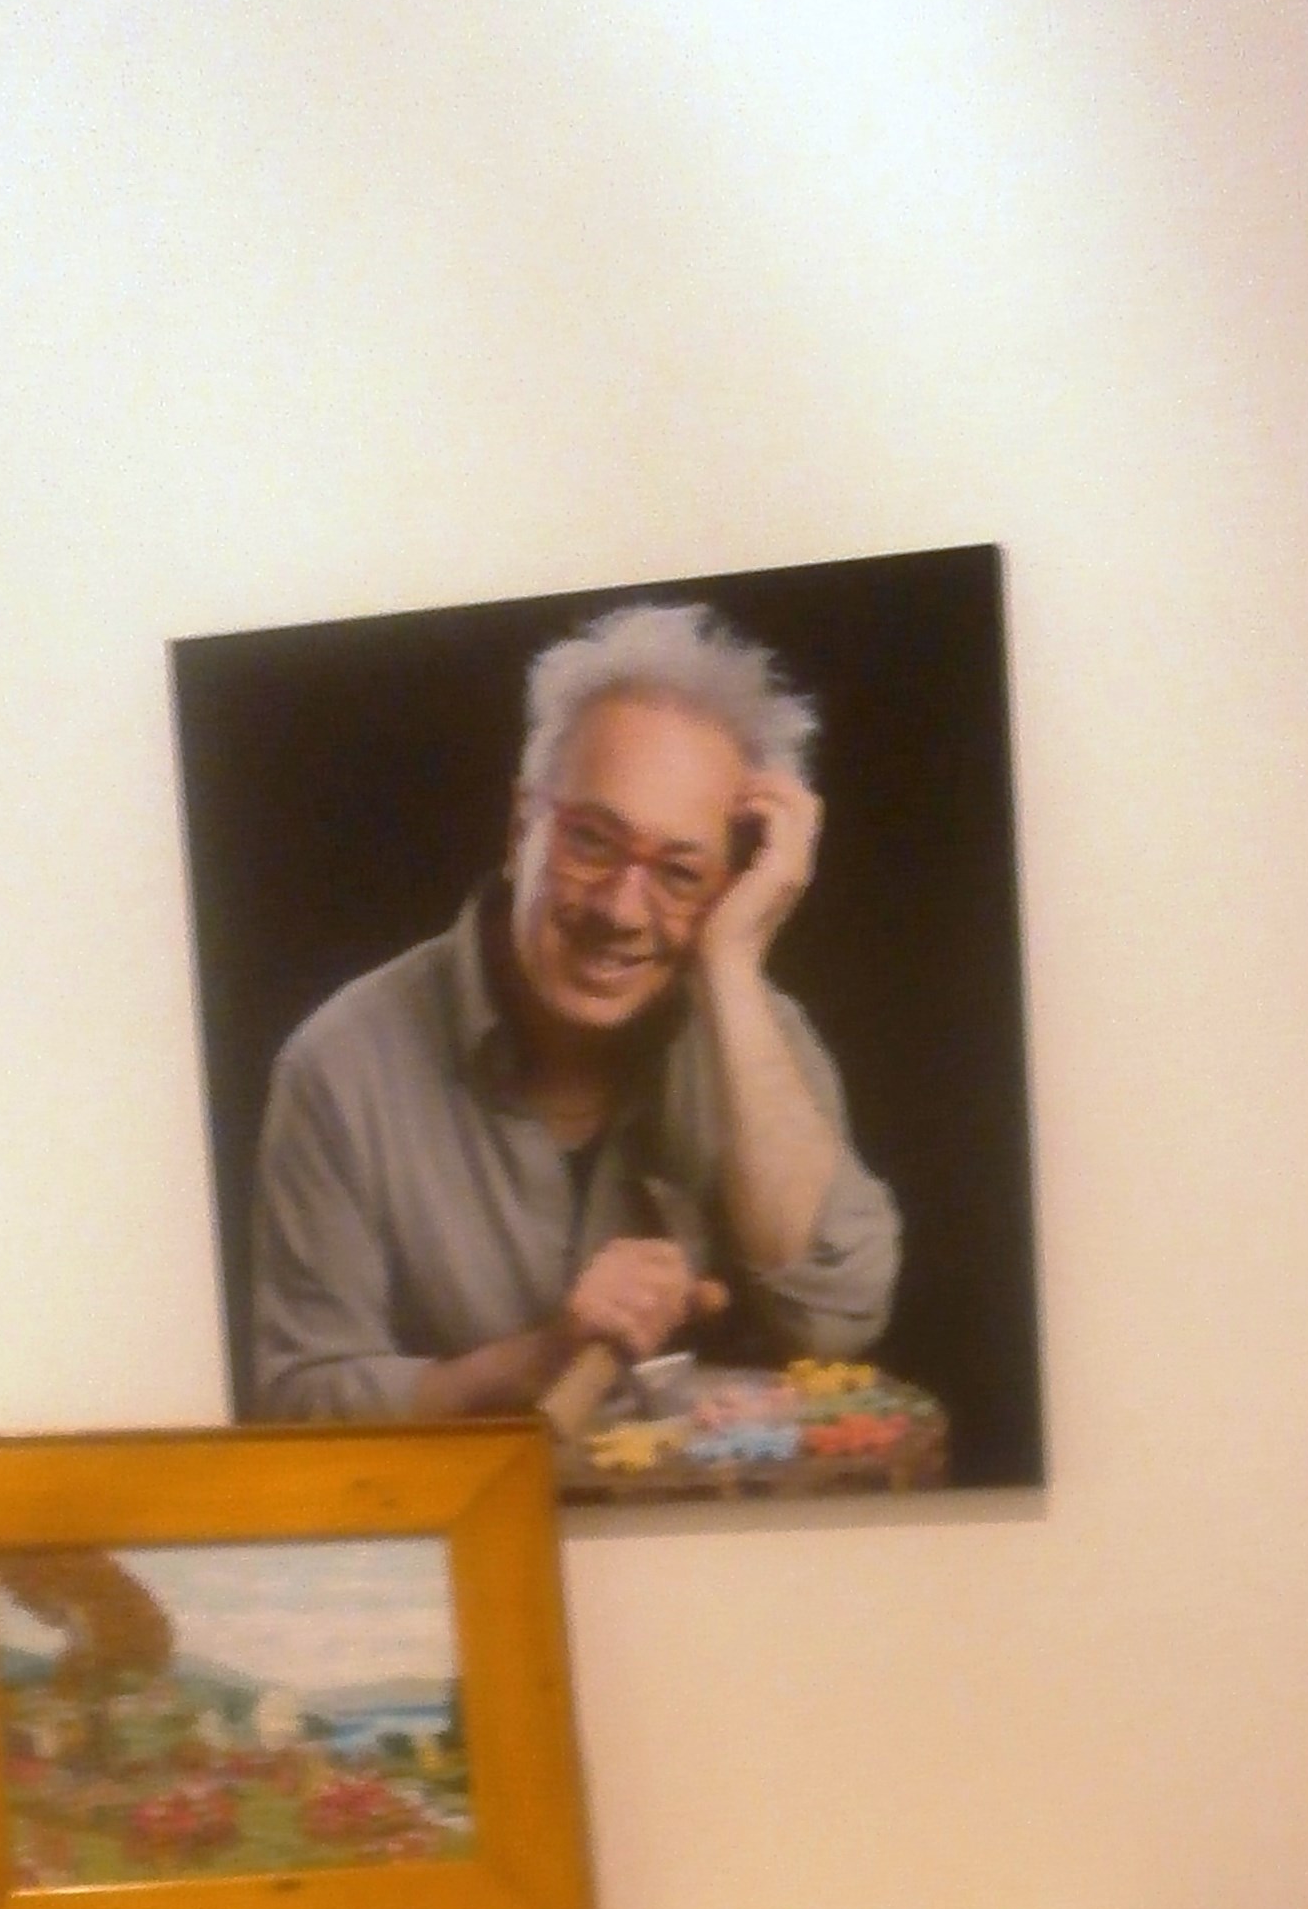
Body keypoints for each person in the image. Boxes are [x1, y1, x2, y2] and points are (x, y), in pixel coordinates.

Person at [247, 601, 902, 1422]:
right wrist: (541, 1358)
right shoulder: (339, 1066)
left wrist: (732, 967)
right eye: (592, 841)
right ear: (521, 825)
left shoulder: (761, 1038)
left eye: (681, 874)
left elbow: (837, 1320)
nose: (622, 910)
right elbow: (301, 1405)